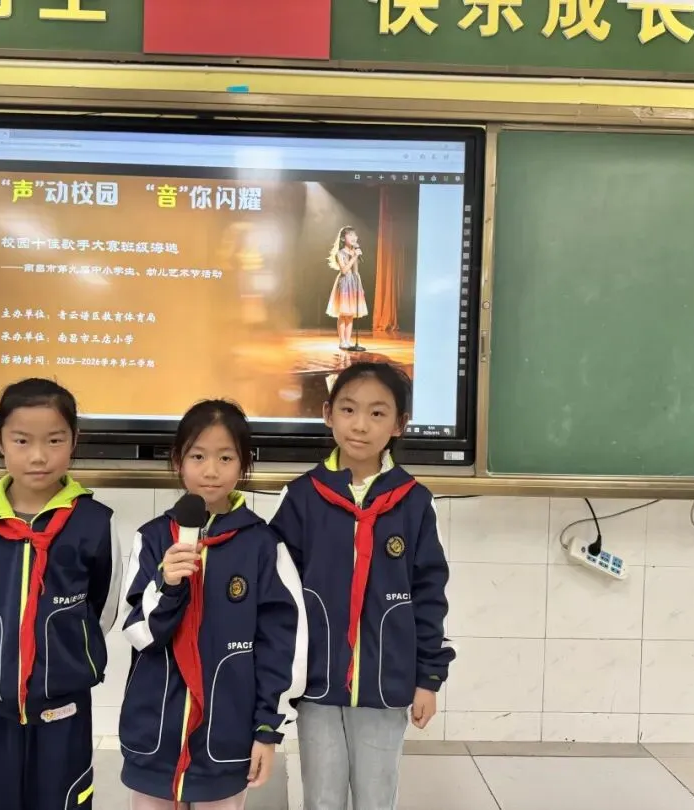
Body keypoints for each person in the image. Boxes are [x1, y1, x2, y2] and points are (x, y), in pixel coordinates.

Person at [269, 362, 455, 810]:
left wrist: (428, 679)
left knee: (376, 797)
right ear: (327, 413)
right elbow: (278, 597)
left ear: (399, 424)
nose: (360, 425)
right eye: (349, 409)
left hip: (386, 685)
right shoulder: (301, 497)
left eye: (377, 413)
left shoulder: (414, 503)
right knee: (321, 797)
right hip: (316, 685)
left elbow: (429, 596)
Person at [119, 399, 307, 810]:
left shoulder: (263, 545)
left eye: (225, 457)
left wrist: (267, 729)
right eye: (198, 456)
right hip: (154, 735)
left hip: (227, 738)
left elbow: (284, 645)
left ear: (244, 464)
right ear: (178, 461)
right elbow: (140, 634)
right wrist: (167, 585)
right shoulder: (152, 538)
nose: (210, 470)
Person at [0, 377, 122, 810]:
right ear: (0, 441)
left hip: (63, 704)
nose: (39, 456)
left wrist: (63, 657)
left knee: (63, 800)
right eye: (22, 440)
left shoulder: (94, 523)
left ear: (74, 441)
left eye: (54, 440)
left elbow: (101, 609)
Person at [325, 226, 368, 350]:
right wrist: (354, 257)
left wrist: (359, 286)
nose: (354, 237)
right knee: (343, 313)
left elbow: (355, 271)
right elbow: (344, 270)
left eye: (355, 235)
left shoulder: (354, 252)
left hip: (353, 283)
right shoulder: (340, 253)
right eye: (350, 235)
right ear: (343, 238)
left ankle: (348, 341)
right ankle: (342, 341)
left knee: (350, 314)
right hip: (344, 284)